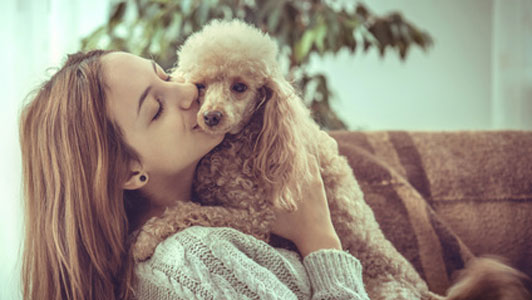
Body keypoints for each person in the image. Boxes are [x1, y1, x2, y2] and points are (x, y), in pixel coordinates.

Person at [20, 50, 370, 300]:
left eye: (165, 74)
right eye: (156, 109)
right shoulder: (194, 260)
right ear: (129, 172)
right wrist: (320, 239)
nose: (189, 91)